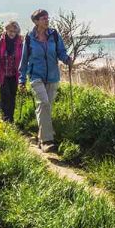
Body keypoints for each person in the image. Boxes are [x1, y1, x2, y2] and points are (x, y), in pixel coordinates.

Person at [19, 9, 71, 152]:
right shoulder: (29, 38)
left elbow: (61, 52)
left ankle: (41, 137)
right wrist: (21, 80)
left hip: (53, 76)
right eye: (43, 18)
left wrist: (66, 59)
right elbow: (24, 61)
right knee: (43, 103)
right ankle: (48, 141)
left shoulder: (54, 35)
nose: (47, 20)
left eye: (47, 18)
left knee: (46, 108)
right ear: (36, 21)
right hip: (36, 76)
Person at [0, 21, 23, 123]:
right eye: (10, 31)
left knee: (12, 96)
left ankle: (10, 118)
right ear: (6, 30)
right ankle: (5, 117)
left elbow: (23, 57)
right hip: (2, 74)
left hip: (14, 74)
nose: (12, 33)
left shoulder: (20, 43)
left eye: (14, 31)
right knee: (5, 95)